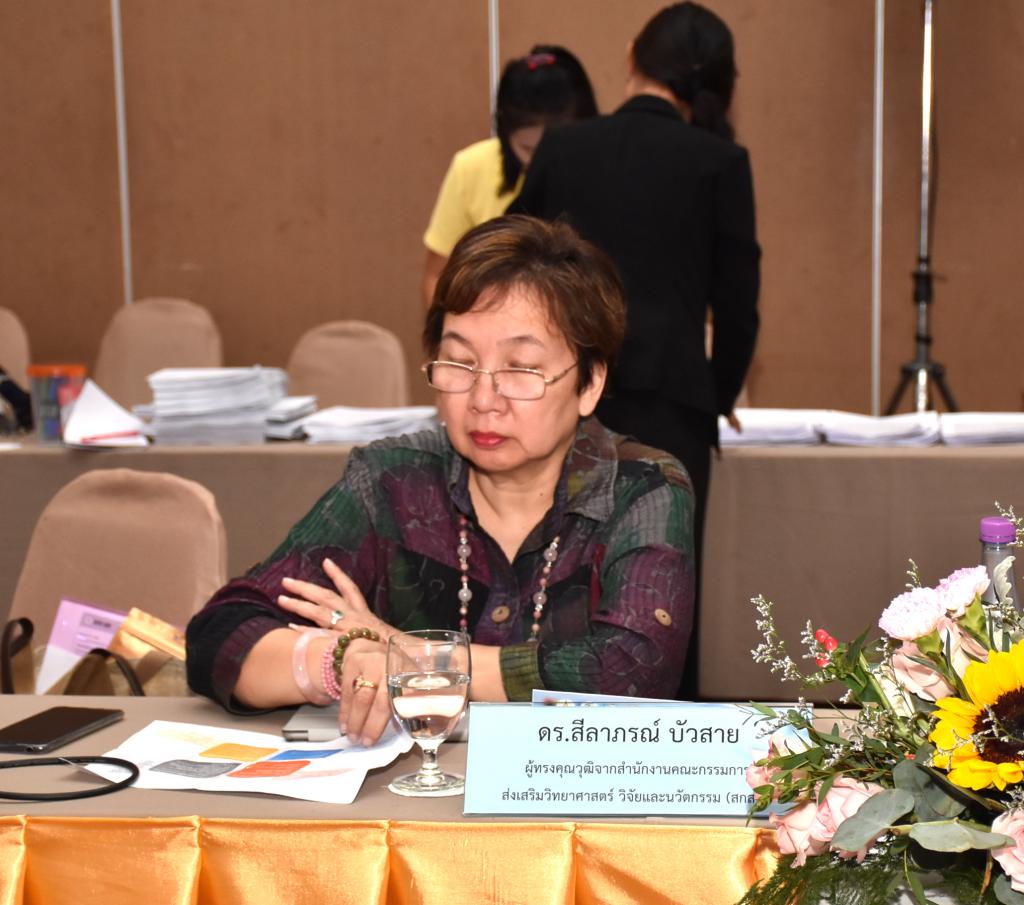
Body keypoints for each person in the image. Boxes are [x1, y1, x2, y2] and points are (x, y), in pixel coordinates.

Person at [187, 215, 695, 746]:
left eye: (521, 368)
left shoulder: (642, 487)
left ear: (589, 383)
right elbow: (219, 634)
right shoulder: (392, 479)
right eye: (459, 363)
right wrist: (339, 659)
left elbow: (631, 675)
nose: (483, 399)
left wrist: (407, 654)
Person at [509, 2, 760, 698]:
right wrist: (717, 394)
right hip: (673, 403)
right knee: (663, 588)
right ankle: (666, 734)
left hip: (562, 395)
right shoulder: (720, 160)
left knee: (552, 574)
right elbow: (738, 304)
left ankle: (540, 716)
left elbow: (510, 263)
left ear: (631, 57)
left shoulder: (566, 147)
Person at [420, 45, 597, 306]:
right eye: (528, 149)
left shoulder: (607, 171)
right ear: (505, 132)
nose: (542, 161)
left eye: (556, 148)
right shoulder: (472, 167)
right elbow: (436, 275)